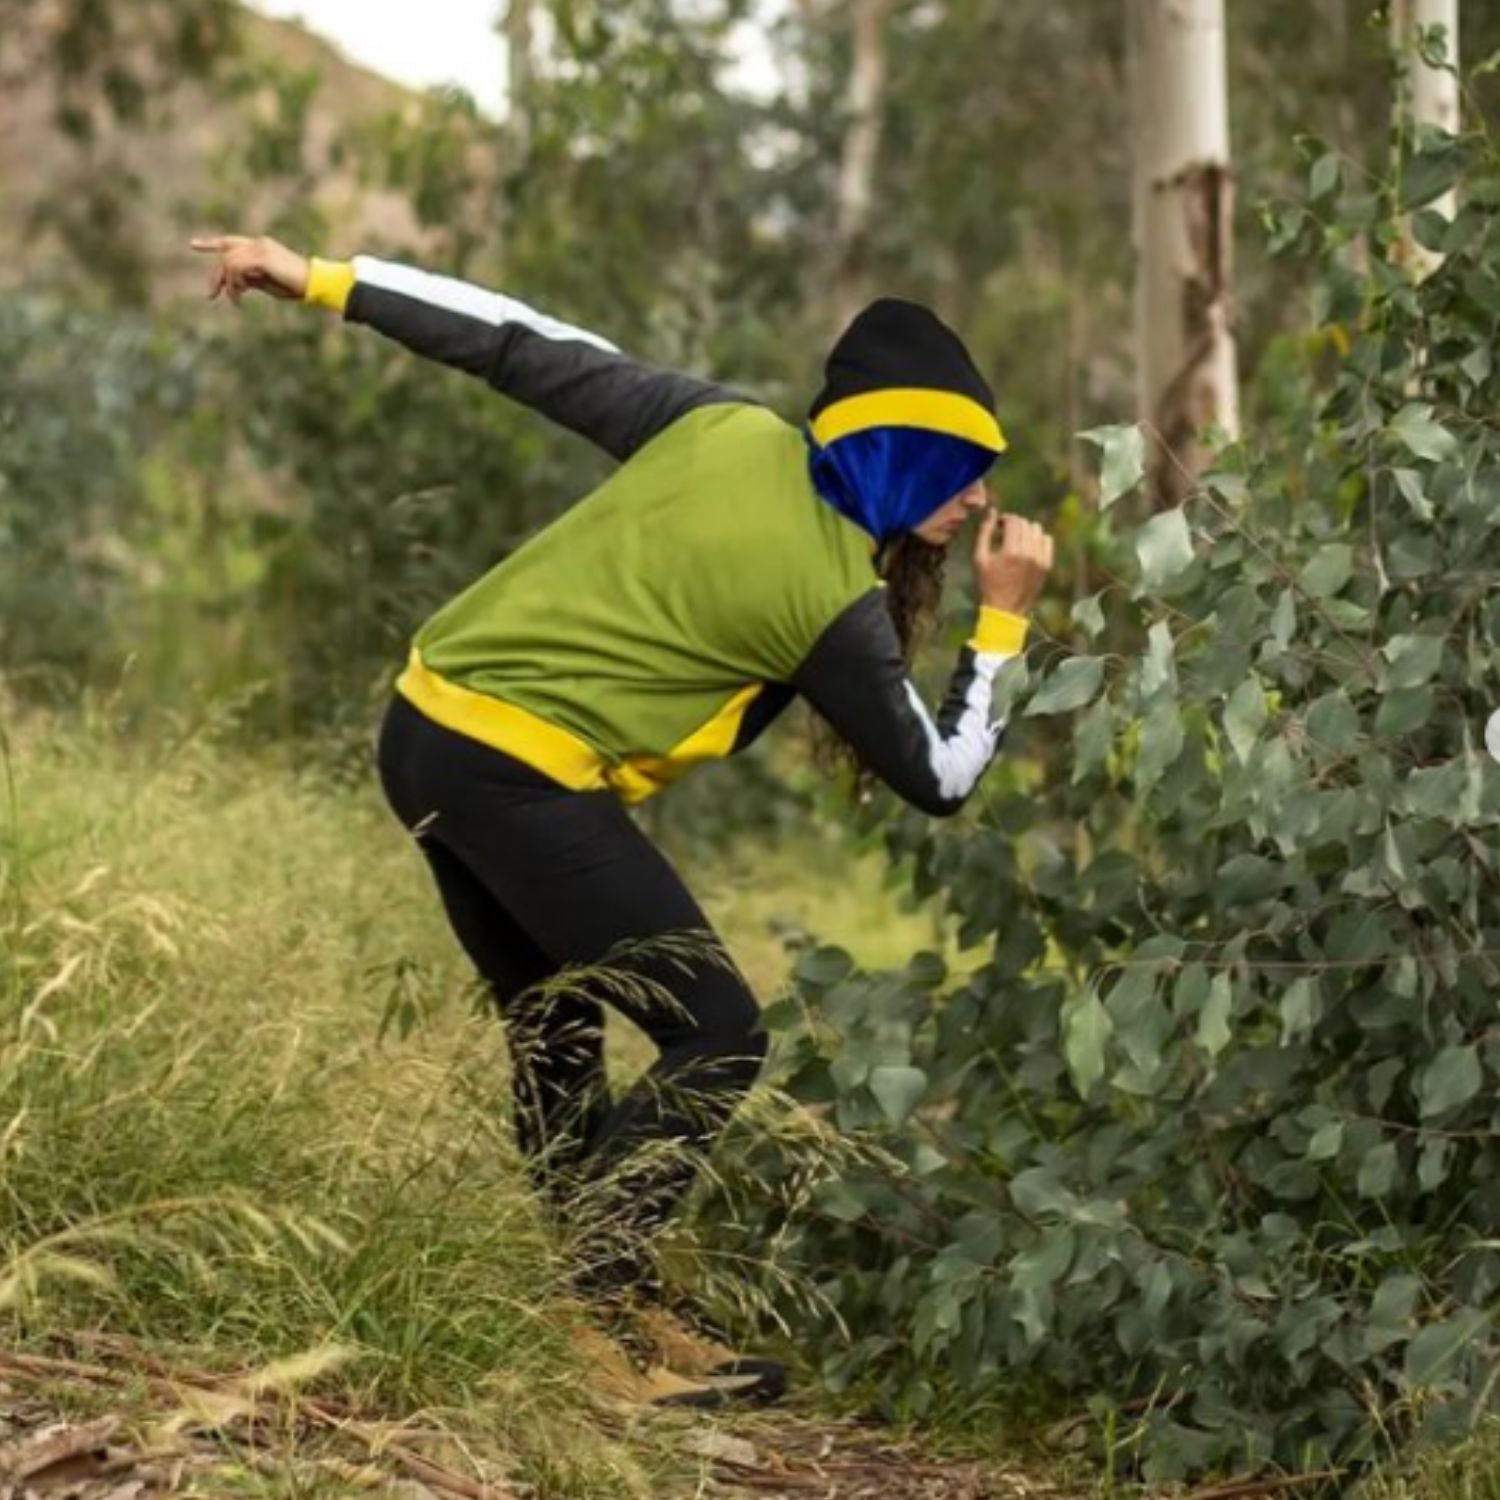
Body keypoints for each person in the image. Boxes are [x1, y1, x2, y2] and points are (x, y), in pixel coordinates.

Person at [189, 233, 1054, 1407]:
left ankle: (599, 1314)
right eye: (962, 467)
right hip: (513, 772)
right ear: (900, 456)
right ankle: (585, 1320)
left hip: (426, 726)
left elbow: (515, 341)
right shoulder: (827, 600)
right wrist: (1003, 624)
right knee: (722, 1033)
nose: (981, 497)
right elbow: (944, 777)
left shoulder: (722, 425)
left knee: (556, 1024)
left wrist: (320, 276)